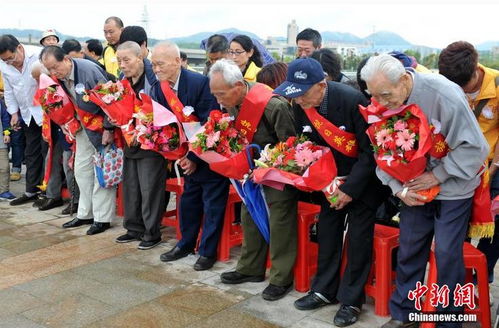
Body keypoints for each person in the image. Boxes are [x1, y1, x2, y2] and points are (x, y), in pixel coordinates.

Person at [359, 54, 489, 328]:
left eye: (385, 95)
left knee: (446, 253)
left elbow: (476, 149)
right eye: (374, 95)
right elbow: (380, 153)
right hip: (413, 188)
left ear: (405, 80)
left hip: (454, 186)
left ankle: (448, 319)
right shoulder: (381, 99)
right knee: (409, 248)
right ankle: (405, 314)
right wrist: (398, 189)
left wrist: (437, 175)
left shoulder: (443, 94)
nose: (380, 103)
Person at [274, 58, 388, 326]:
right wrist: (324, 181)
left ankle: (351, 300)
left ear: (321, 85)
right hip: (330, 181)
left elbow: (371, 151)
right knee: (327, 232)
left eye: (303, 93)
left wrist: (349, 188)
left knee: (359, 240)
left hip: (364, 182)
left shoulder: (352, 101)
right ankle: (324, 290)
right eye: (295, 94)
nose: (299, 100)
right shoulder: (302, 106)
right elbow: (311, 148)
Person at [214, 59, 298, 301]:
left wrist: (266, 167)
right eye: (215, 94)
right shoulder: (231, 103)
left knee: (280, 219)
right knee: (248, 214)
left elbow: (291, 146)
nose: (219, 100)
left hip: (279, 174)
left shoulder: (273, 106)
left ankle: (281, 278)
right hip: (250, 172)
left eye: (221, 94)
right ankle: (250, 267)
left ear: (239, 86)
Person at [153, 41, 227, 271]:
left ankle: (207, 252)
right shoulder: (159, 87)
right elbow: (165, 126)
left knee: (212, 204)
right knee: (188, 202)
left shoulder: (200, 83)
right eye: (153, 65)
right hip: (185, 155)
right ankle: (185, 244)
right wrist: (178, 153)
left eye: (160, 64)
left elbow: (210, 122)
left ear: (177, 61)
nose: (156, 69)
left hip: (210, 155)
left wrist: (195, 157)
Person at [438, 41, 499, 290]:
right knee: (455, 228)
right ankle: (456, 281)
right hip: (457, 162)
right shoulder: (445, 85)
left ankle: (481, 279)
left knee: (495, 220)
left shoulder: (496, 84)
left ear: (476, 70)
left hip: (492, 161)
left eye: (465, 86)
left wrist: (493, 168)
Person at [40, 45, 116, 235]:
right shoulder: (61, 77)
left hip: (101, 127)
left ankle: (102, 218)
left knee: (101, 173)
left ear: (66, 59)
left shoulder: (88, 71)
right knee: (81, 169)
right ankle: (85, 213)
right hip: (83, 126)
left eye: (55, 67)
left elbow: (111, 100)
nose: (53, 72)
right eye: (49, 69)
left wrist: (109, 128)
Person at [113, 40, 166, 250]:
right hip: (129, 141)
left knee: (149, 188)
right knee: (131, 186)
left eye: (126, 60)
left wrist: (142, 130)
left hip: (151, 142)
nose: (122, 65)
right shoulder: (121, 79)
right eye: (119, 60)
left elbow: (161, 112)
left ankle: (151, 232)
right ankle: (133, 228)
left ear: (140, 57)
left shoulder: (154, 80)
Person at [0, 34, 45, 206]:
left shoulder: (39, 56)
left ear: (20, 48)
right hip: (27, 114)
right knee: (31, 152)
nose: (10, 63)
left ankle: (47, 192)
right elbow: (10, 91)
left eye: (11, 58)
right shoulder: (4, 65)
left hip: (46, 112)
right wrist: (13, 113)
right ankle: (31, 190)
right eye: (6, 61)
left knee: (47, 152)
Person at [0, 95, 15, 200]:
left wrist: (6, 133)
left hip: (1, 141)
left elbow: (5, 118)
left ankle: (4, 191)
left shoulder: (0, 102)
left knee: (4, 167)